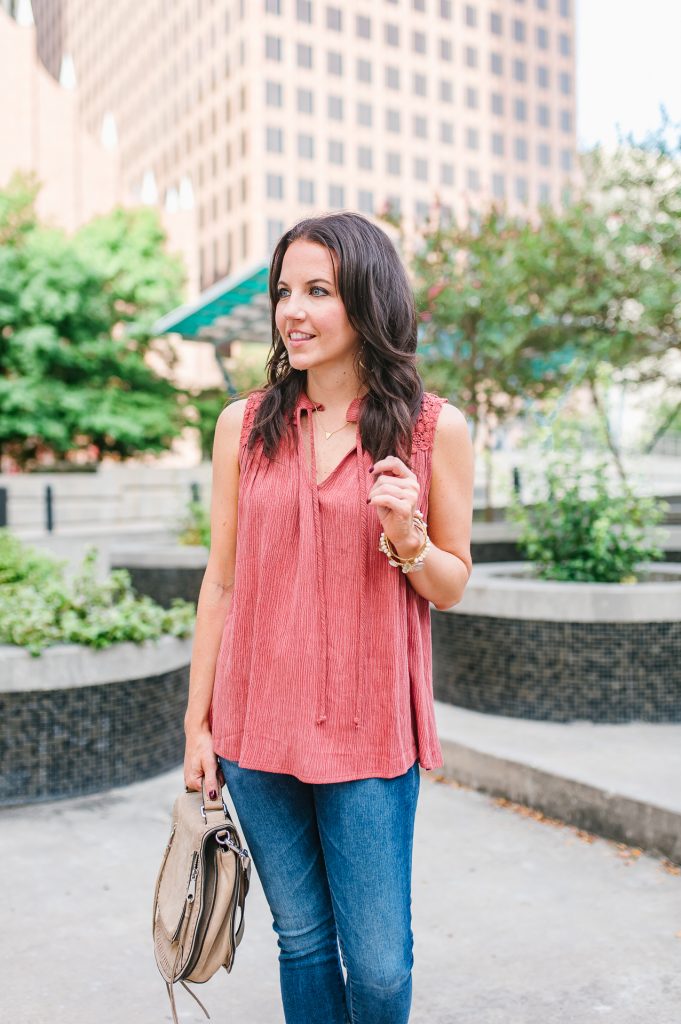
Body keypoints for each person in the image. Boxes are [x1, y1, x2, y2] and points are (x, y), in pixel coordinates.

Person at [183, 211, 474, 1024]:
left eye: (318, 290)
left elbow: (450, 584)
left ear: (367, 301)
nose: (292, 311)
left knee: (379, 968)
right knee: (302, 941)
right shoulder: (241, 426)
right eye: (285, 291)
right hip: (256, 731)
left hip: (369, 733)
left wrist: (407, 535)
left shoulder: (431, 430)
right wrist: (196, 725)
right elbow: (222, 583)